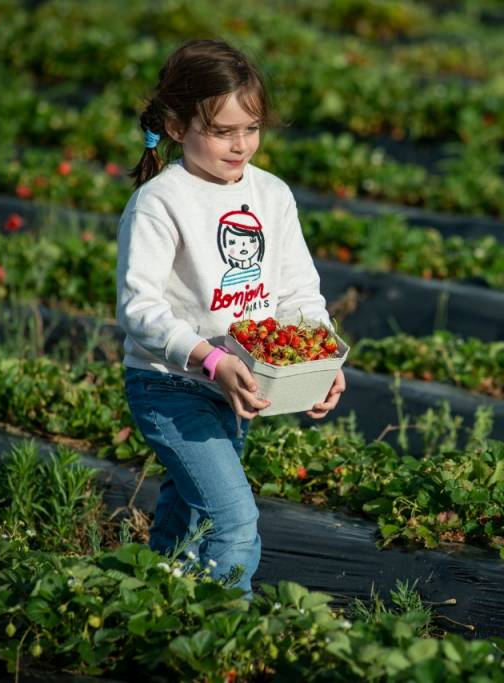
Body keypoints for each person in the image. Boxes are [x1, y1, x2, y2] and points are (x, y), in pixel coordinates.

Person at [116, 39, 346, 598]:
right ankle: (224, 639)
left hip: (235, 388)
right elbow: (138, 306)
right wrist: (209, 357)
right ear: (175, 126)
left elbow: (297, 290)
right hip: (171, 385)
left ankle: (146, 603)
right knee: (235, 522)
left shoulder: (271, 194)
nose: (240, 144)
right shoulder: (161, 201)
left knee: (190, 512)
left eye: (252, 128)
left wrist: (321, 357)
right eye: (222, 131)